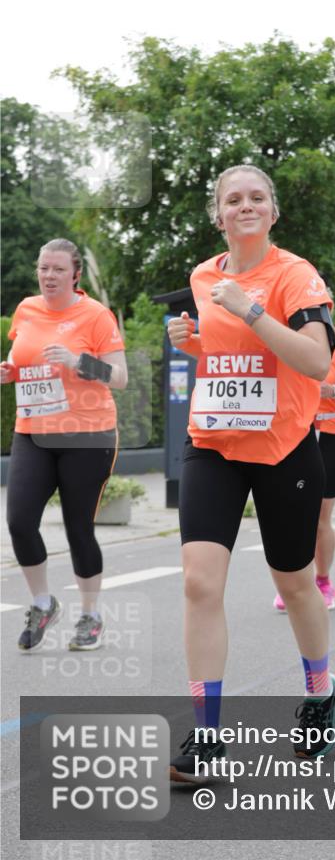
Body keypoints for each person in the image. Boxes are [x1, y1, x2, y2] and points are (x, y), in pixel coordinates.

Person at [166, 164, 335, 783]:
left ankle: (320, 693)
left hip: (284, 448)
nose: (245, 205)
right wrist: (190, 342)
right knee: (198, 583)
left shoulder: (295, 276)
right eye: (232, 199)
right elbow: (227, 359)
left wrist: (250, 311)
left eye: (256, 197)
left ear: (273, 210)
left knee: (294, 584)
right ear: (218, 214)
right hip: (212, 442)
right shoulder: (203, 276)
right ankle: (207, 737)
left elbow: (316, 361)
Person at [0, 239, 127, 652]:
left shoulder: (95, 316)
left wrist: (78, 361)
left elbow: (121, 377)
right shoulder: (25, 310)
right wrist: (10, 371)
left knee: (78, 528)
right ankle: (42, 603)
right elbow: (23, 359)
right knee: (19, 521)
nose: (48, 276)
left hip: (87, 435)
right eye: (43, 268)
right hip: (33, 432)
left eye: (57, 269)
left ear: (75, 274)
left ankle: (90, 615)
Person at [273, 295, 335, 612]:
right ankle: (293, 583)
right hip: (293, 434)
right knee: (288, 515)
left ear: (330, 308)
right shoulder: (284, 340)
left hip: (330, 436)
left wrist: (334, 391)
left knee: (320, 518)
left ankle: (323, 581)